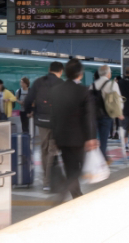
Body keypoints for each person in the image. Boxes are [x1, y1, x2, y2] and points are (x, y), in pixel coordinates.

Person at [50, 58, 98, 201]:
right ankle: (65, 190)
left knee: (70, 168)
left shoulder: (56, 91)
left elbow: (53, 116)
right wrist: (91, 137)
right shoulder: (83, 91)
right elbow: (89, 116)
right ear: (80, 74)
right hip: (79, 139)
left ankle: (77, 196)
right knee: (79, 169)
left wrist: (54, 137)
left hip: (62, 138)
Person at [25, 61, 64, 192]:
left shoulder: (38, 82)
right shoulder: (61, 83)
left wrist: (29, 111)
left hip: (41, 121)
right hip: (56, 122)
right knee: (53, 150)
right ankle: (49, 180)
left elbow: (28, 99)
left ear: (49, 69)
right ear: (61, 71)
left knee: (44, 149)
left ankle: (46, 181)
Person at [92, 65, 124, 163]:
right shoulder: (112, 84)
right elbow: (118, 101)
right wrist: (119, 113)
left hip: (93, 116)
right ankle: (101, 161)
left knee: (95, 139)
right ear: (108, 74)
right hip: (106, 116)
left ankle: (103, 158)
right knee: (103, 140)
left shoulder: (92, 85)